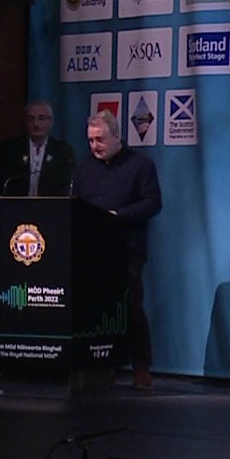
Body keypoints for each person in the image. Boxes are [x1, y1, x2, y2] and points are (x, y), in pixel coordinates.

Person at [71, 110, 163, 389]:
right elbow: (75, 202)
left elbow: (153, 203)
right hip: (90, 251)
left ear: (116, 137)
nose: (94, 146)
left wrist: (118, 216)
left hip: (126, 249)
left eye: (100, 140)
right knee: (95, 309)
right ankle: (102, 366)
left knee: (131, 307)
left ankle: (141, 367)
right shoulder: (84, 167)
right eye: (90, 140)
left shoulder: (140, 165)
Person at [0, 99, 75, 196]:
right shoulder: (9, 149)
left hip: (49, 204)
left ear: (51, 122)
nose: (36, 124)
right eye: (31, 119)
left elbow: (65, 186)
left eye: (41, 118)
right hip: (16, 203)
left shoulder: (62, 150)